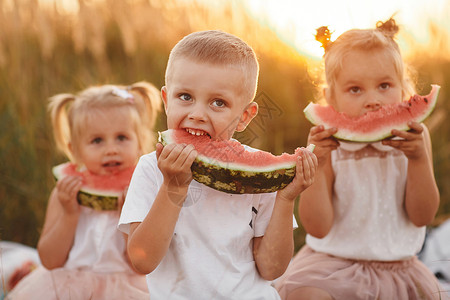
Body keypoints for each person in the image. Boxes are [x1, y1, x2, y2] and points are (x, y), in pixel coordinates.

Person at [118, 30, 318, 300]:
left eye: (218, 103)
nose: (197, 114)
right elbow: (142, 261)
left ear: (245, 116)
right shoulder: (151, 169)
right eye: (185, 97)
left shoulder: (263, 178)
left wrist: (285, 198)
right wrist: (172, 189)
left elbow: (271, 269)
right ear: (166, 101)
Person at [275, 18, 448, 300]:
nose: (373, 100)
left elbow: (423, 216)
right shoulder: (325, 143)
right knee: (305, 295)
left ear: (404, 90)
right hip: (332, 265)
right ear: (330, 98)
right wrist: (318, 164)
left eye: (384, 85)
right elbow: (318, 227)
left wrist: (417, 159)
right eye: (355, 89)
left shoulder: (416, 138)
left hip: (399, 270)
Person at [7, 81, 161, 300]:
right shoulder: (66, 192)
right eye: (97, 140)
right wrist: (70, 214)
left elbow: (142, 265)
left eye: (121, 137)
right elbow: (50, 261)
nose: (111, 149)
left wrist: (127, 217)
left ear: (140, 143)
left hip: (127, 288)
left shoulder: (143, 192)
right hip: (67, 285)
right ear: (74, 150)